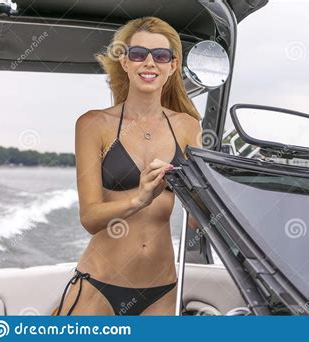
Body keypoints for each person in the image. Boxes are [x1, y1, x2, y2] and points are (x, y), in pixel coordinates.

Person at [53, 16, 202, 316]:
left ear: (173, 66)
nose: (150, 63)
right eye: (138, 54)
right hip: (98, 285)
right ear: (124, 61)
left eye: (161, 56)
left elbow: (196, 223)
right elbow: (90, 217)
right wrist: (139, 199)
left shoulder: (188, 127)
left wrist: (216, 191)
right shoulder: (93, 124)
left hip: (162, 291)